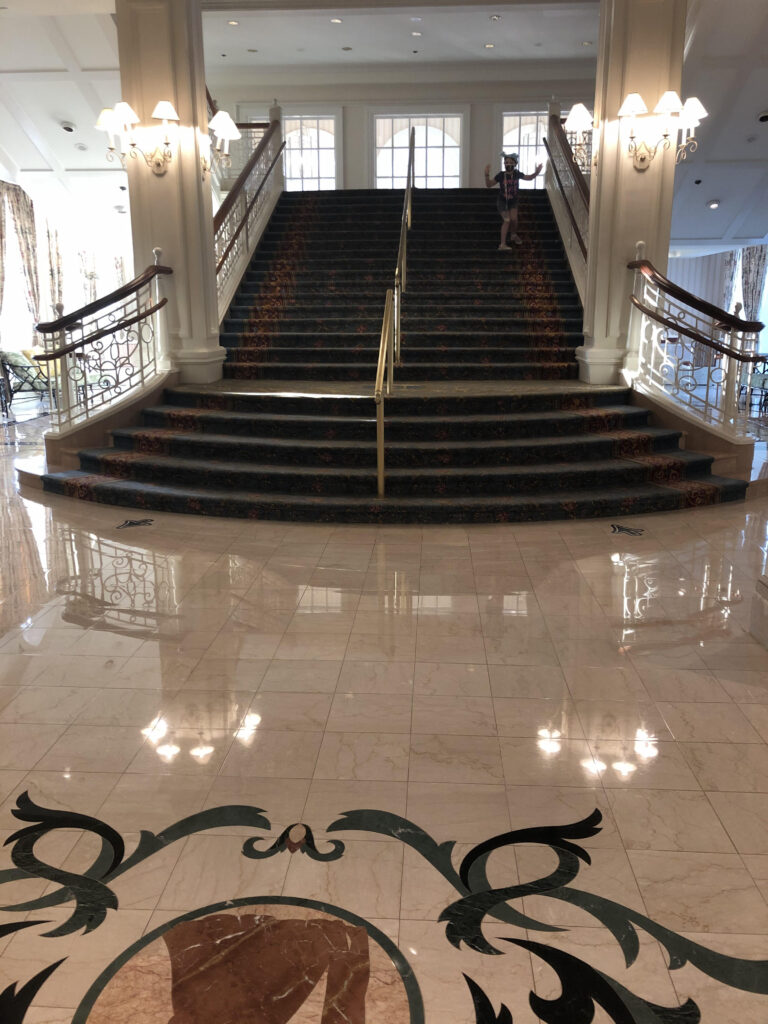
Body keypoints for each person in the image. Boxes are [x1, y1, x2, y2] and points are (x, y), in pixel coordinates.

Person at [484, 152, 543, 250]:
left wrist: (537, 172)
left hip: (513, 201)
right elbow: (489, 185)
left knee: (514, 219)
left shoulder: (517, 174)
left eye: (510, 162)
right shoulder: (501, 175)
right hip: (502, 201)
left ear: (515, 164)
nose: (508, 164)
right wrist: (486, 175)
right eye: (506, 162)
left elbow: (529, 178)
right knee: (507, 220)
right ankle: (502, 244)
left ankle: (513, 234)